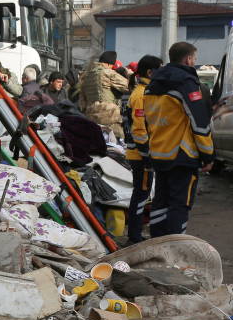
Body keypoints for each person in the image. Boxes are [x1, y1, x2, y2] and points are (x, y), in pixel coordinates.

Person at [140, 42, 214, 237]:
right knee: (180, 205)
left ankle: (157, 246)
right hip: (182, 154)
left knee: (161, 202)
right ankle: (175, 251)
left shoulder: (152, 85)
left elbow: (148, 120)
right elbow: (199, 122)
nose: (194, 63)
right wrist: (208, 155)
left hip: (159, 152)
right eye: (194, 59)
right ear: (188, 59)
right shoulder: (186, 83)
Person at [124, 55, 163, 244]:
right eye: (160, 70)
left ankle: (135, 233)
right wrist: (147, 155)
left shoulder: (142, 91)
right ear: (150, 72)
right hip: (140, 155)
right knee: (141, 195)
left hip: (138, 153)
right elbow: (139, 129)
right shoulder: (141, 95)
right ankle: (134, 235)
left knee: (140, 193)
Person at [77, 51, 129, 136]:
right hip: (109, 117)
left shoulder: (85, 76)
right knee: (115, 145)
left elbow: (82, 102)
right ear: (109, 64)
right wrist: (129, 74)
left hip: (91, 118)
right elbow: (129, 86)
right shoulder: (108, 73)